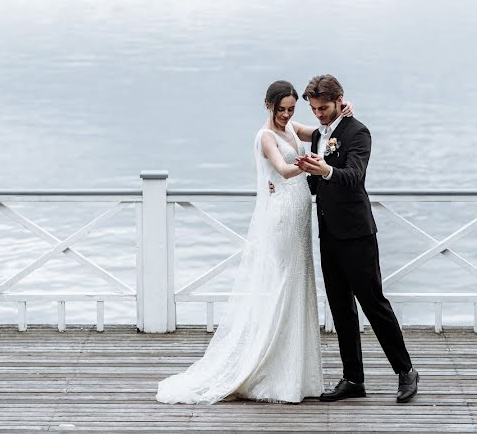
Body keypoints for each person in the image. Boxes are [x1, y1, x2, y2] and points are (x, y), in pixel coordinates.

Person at [155, 80, 351, 404]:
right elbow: (283, 169)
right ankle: (271, 369)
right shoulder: (265, 136)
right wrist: (307, 166)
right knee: (285, 285)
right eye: (281, 109)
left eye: (291, 109)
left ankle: (295, 373)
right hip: (283, 217)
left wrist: (343, 113)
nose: (287, 115)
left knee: (298, 286)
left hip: (300, 215)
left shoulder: (291, 128)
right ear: (268, 105)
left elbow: (320, 131)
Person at [295, 74, 419, 403]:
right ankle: (353, 379)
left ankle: (406, 371)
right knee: (340, 308)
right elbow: (313, 183)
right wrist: (295, 175)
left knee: (374, 304)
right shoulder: (319, 136)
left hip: (357, 234)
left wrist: (325, 171)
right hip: (328, 234)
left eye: (324, 108)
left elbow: (354, 176)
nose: (319, 114)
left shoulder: (358, 132)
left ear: (340, 101)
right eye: (315, 109)